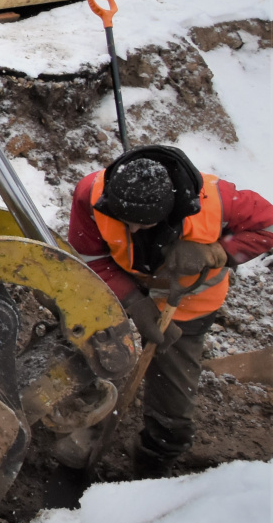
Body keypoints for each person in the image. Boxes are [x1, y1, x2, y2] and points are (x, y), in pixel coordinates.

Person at [67, 147, 273, 471]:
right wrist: (133, 301)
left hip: (189, 304)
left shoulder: (220, 202)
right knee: (83, 353)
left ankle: (154, 460)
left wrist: (217, 252)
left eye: (141, 224)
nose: (131, 231)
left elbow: (269, 226)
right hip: (115, 290)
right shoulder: (92, 194)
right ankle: (83, 426)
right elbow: (90, 258)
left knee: (172, 410)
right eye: (124, 222)